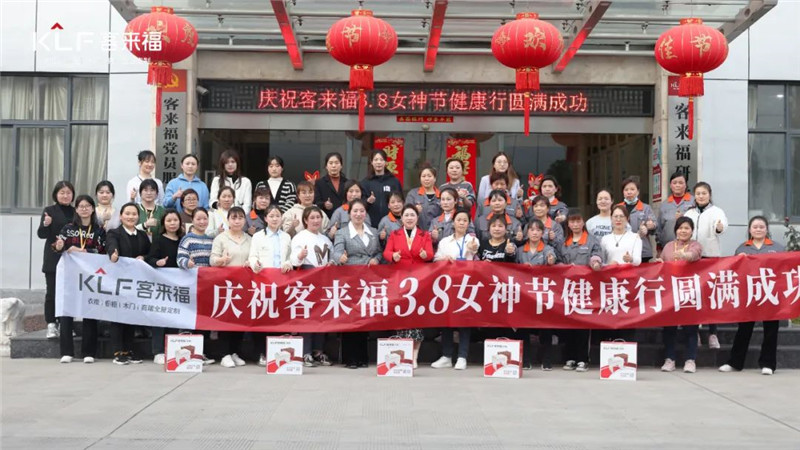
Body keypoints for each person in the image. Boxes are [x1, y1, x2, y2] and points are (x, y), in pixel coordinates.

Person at [719, 216, 785, 376]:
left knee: (771, 330)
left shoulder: (778, 248)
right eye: (755, 227)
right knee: (744, 329)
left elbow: (785, 270)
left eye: (761, 227)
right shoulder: (742, 248)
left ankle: (768, 364)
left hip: (770, 292)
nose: (758, 229)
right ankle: (735, 363)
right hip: (749, 293)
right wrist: (738, 260)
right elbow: (734, 271)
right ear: (749, 229)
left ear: (767, 229)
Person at [53, 195, 106, 364]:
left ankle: (88, 352)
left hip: (91, 275)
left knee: (89, 309)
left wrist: (84, 252)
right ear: (76, 209)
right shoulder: (68, 228)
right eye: (81, 206)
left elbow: (103, 250)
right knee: (66, 311)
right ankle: (66, 351)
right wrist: (60, 246)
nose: (84, 209)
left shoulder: (98, 230)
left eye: (87, 206)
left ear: (92, 209)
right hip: (70, 275)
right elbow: (58, 246)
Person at [332, 199, 382, 369]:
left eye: (361, 211)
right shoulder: (342, 233)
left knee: (365, 317)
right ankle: (350, 358)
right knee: (351, 318)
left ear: (365, 213)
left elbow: (379, 252)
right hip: (350, 279)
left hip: (368, 280)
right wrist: (340, 257)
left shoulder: (373, 231)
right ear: (349, 214)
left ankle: (362, 356)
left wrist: (376, 259)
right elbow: (336, 252)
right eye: (355, 211)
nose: (358, 214)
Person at [383, 205, 434, 368]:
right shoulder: (395, 234)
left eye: (412, 215)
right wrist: (393, 256)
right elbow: (386, 253)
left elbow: (430, 254)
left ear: (417, 218)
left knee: (417, 319)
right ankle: (403, 353)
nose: (409, 218)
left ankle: (414, 356)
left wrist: (426, 255)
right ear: (402, 218)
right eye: (406, 215)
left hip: (419, 281)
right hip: (400, 280)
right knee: (402, 317)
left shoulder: (425, 235)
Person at [431, 208, 480, 370]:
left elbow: (474, 249)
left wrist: (472, 247)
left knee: (464, 320)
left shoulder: (472, 239)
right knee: (447, 320)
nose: (461, 223)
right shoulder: (445, 241)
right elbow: (436, 260)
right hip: (447, 285)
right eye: (459, 220)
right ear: (453, 222)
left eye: (465, 220)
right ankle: (446, 356)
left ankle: (462, 356)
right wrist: (444, 259)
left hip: (465, 284)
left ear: (469, 223)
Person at [654, 216, 703, 374]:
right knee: (669, 328)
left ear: (692, 231)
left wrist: (683, 255)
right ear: (676, 230)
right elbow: (662, 263)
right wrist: (658, 263)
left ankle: (690, 360)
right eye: (680, 228)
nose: (683, 231)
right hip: (670, 292)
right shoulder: (669, 246)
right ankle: (670, 359)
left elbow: (693, 255)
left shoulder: (695, 245)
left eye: (687, 228)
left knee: (691, 328)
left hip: (689, 291)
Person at [478, 216, 528, 368]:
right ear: (489, 228)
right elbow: (476, 262)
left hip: (505, 290)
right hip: (487, 291)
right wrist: (481, 263)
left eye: (500, 226)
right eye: (494, 226)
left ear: (506, 229)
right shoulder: (483, 244)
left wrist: (510, 253)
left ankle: (509, 355)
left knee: (506, 321)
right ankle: (491, 356)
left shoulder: (510, 243)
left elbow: (513, 263)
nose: (497, 229)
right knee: (489, 322)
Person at [684, 181, 729, 348]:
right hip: (692, 259)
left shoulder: (716, 211)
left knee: (711, 295)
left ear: (709, 195)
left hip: (710, 258)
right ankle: (694, 332)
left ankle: (713, 333)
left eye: (704, 193)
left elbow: (722, 226)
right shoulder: (689, 213)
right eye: (698, 194)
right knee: (693, 295)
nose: (701, 196)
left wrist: (719, 227)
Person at [106, 202, 151, 365]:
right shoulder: (114, 233)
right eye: (127, 214)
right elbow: (111, 246)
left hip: (136, 282)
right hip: (118, 281)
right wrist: (113, 254)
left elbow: (150, 252)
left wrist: (144, 257)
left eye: (134, 214)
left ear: (138, 217)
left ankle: (128, 350)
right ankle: (118, 351)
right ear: (121, 216)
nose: (131, 217)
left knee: (131, 316)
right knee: (118, 316)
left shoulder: (142, 235)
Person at [558, 209, 602, 372]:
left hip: (586, 289)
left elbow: (597, 255)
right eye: (572, 221)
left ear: (583, 222)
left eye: (578, 221)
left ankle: (583, 359)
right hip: (567, 289)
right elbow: (558, 260)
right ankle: (570, 357)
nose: (575, 224)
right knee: (568, 324)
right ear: (568, 224)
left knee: (583, 324)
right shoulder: (564, 242)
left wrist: (595, 263)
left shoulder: (592, 240)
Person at [248, 204, 293, 366]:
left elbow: (290, 257)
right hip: (263, 282)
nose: (275, 219)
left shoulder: (286, 237)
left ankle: (277, 351)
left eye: (277, 216)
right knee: (262, 318)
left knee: (280, 317)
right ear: (266, 218)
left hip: (282, 282)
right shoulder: (258, 236)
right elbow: (252, 256)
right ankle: (261, 352)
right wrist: (255, 264)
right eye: (271, 216)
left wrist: (288, 263)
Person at [290, 206, 334, 366]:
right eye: (312, 218)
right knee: (307, 316)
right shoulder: (300, 237)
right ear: (305, 220)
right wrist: (300, 256)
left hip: (323, 281)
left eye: (318, 217)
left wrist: (331, 263)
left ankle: (318, 350)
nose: (316, 221)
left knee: (322, 316)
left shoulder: (325, 239)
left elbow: (332, 257)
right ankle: (305, 352)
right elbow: (294, 261)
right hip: (307, 280)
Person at [210, 207, 252, 368]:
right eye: (234, 218)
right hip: (226, 285)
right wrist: (221, 260)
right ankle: (224, 354)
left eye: (240, 218)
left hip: (245, 285)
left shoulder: (249, 239)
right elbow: (212, 260)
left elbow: (255, 256)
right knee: (226, 319)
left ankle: (235, 352)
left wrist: (251, 262)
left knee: (240, 319)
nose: (237, 221)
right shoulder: (221, 238)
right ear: (228, 220)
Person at [175, 208, 215, 365]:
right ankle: (185, 354)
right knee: (188, 320)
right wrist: (188, 263)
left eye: (205, 218)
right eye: (198, 219)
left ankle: (200, 353)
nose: (202, 222)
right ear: (192, 220)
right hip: (191, 285)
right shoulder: (187, 239)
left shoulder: (211, 239)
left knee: (203, 320)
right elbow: (180, 259)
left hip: (207, 287)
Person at [517, 218, 557, 370]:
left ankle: (546, 360)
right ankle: (525, 360)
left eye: (538, 230)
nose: (535, 233)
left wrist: (551, 261)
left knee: (545, 327)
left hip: (542, 295)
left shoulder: (547, 249)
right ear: (527, 232)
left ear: (542, 233)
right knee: (523, 327)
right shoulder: (520, 250)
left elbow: (552, 259)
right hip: (524, 294)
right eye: (532, 230)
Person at [145, 209, 184, 365]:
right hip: (162, 285)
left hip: (179, 286)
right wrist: (157, 262)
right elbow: (149, 258)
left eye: (175, 220)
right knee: (160, 318)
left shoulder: (183, 240)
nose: (172, 223)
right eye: (169, 221)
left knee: (175, 318)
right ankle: (158, 351)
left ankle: (172, 349)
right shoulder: (159, 240)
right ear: (163, 224)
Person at [38, 181, 75, 339]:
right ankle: (51, 324)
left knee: (69, 292)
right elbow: (41, 234)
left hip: (72, 258)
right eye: (62, 193)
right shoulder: (49, 211)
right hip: (53, 257)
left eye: (68, 193)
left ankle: (66, 324)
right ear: (56, 195)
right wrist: (46, 224)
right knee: (52, 292)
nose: (65, 196)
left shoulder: (76, 212)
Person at [618, 176, 657, 262]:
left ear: (638, 191)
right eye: (626, 190)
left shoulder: (646, 208)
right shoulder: (618, 208)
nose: (629, 192)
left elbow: (655, 225)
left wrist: (650, 226)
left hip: (642, 250)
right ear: (623, 192)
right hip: (622, 250)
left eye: (632, 189)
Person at [361, 150, 403, 227]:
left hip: (391, 224)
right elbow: (360, 203)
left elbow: (401, 201)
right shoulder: (365, 182)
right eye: (376, 160)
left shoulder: (394, 181)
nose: (378, 162)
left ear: (385, 162)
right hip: (370, 224)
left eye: (381, 159)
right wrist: (368, 201)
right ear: (371, 162)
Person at [656, 172, 694, 249]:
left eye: (681, 183)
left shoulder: (693, 201)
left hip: (689, 247)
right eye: (674, 183)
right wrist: (659, 247)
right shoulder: (665, 204)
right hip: (668, 246)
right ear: (670, 185)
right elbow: (659, 228)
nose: (677, 185)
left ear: (685, 185)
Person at [208, 149, 252, 213]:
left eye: (233, 162)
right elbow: (212, 201)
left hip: (239, 216)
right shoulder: (217, 180)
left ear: (237, 163)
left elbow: (247, 205)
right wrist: (222, 210)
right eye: (227, 162)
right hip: (221, 215)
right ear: (223, 165)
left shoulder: (246, 182)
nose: (230, 164)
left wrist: (239, 216)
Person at [405, 165, 441, 232]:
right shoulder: (413, 194)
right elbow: (405, 213)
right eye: (423, 176)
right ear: (420, 179)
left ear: (435, 178)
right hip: (417, 232)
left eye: (429, 176)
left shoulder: (441, 195)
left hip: (436, 232)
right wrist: (415, 210)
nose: (426, 179)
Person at [314, 152, 349, 218]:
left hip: (345, 217)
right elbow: (316, 202)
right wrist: (324, 205)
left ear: (341, 166)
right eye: (330, 163)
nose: (333, 166)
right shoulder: (319, 183)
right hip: (327, 218)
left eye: (336, 163)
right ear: (326, 166)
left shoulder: (347, 182)